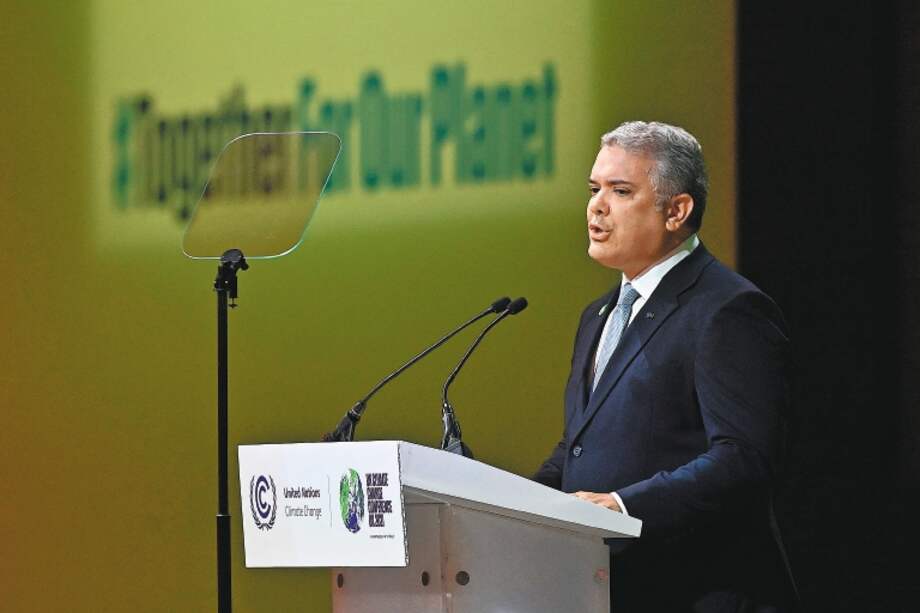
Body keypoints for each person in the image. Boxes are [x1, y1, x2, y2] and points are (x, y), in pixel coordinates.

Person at [534, 121, 798, 613]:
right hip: (613, 590)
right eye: (594, 189)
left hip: (699, 591)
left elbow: (743, 459)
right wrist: (505, 504)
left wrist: (624, 505)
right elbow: (580, 447)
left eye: (620, 191)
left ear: (676, 210)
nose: (596, 206)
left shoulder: (728, 310)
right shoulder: (598, 315)